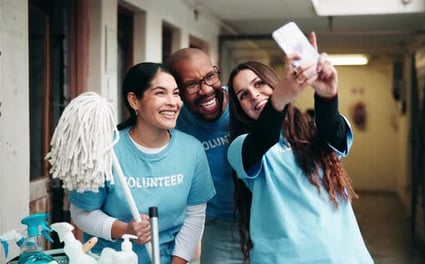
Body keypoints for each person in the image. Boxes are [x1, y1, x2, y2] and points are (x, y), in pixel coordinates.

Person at [226, 33, 373, 263]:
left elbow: (332, 130)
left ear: (272, 83)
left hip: (343, 256)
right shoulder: (240, 147)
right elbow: (263, 138)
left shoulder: (312, 128)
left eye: (259, 84)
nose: (254, 95)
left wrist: (327, 96)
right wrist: (279, 99)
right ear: (239, 108)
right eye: (243, 95)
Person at [69, 62, 216, 264]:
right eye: (160, 93)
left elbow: (194, 217)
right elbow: (81, 213)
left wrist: (178, 262)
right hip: (109, 258)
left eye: (176, 93)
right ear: (134, 101)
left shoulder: (192, 150)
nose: (173, 102)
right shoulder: (106, 150)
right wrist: (126, 230)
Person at [166, 48, 244, 263]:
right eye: (192, 84)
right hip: (221, 227)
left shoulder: (244, 101)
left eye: (210, 76)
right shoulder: (173, 122)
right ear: (177, 90)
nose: (206, 89)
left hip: (268, 220)